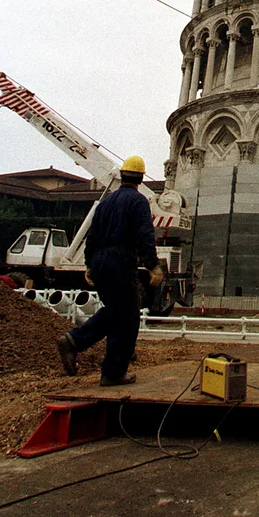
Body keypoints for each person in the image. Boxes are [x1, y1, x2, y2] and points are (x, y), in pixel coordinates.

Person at [58, 155, 164, 386]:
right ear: (141, 178)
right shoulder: (138, 201)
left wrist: (89, 264)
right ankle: (85, 349)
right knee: (127, 316)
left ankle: (104, 366)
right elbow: (144, 235)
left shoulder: (106, 203)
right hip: (120, 260)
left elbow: (92, 236)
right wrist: (153, 265)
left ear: (121, 175)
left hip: (99, 260)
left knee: (119, 312)